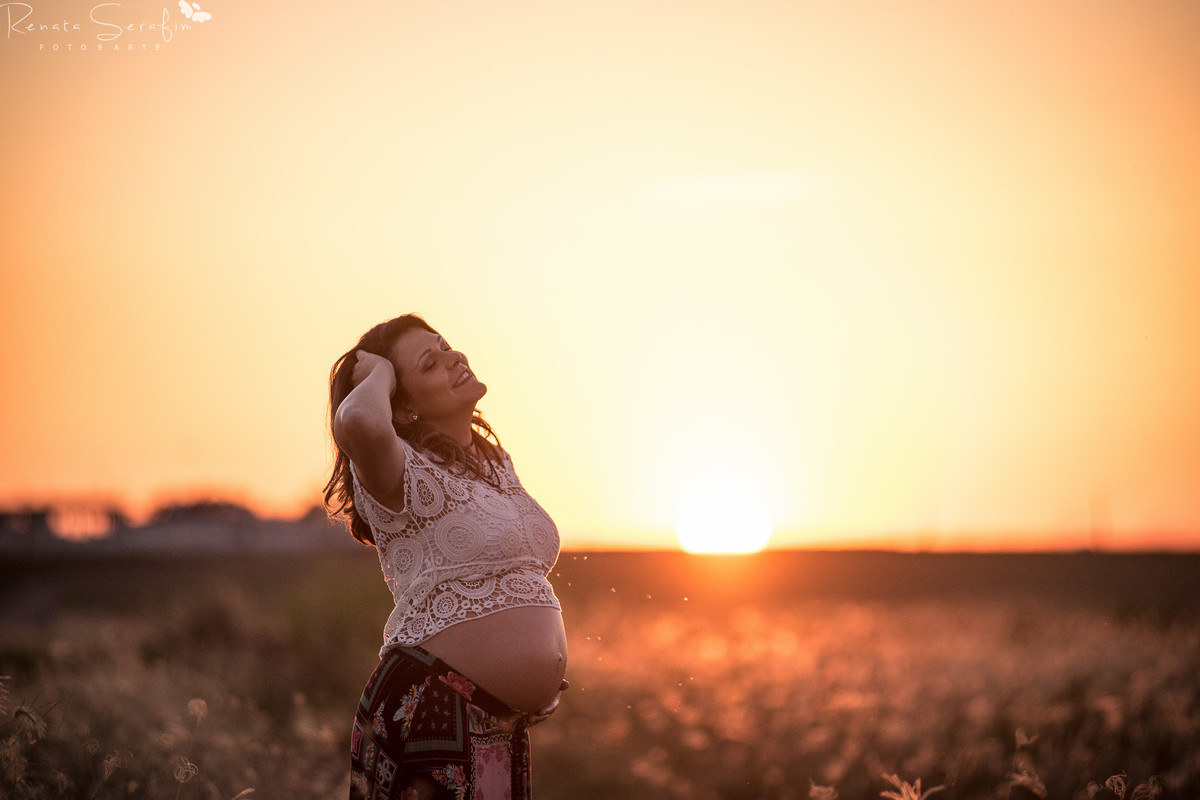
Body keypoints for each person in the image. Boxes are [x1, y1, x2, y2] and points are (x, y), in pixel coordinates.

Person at [324, 313, 567, 800]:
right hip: (431, 708)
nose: (454, 357)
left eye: (446, 346)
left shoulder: (494, 464)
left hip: (497, 724)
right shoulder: (396, 470)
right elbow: (359, 420)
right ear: (405, 409)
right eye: (429, 364)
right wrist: (378, 374)